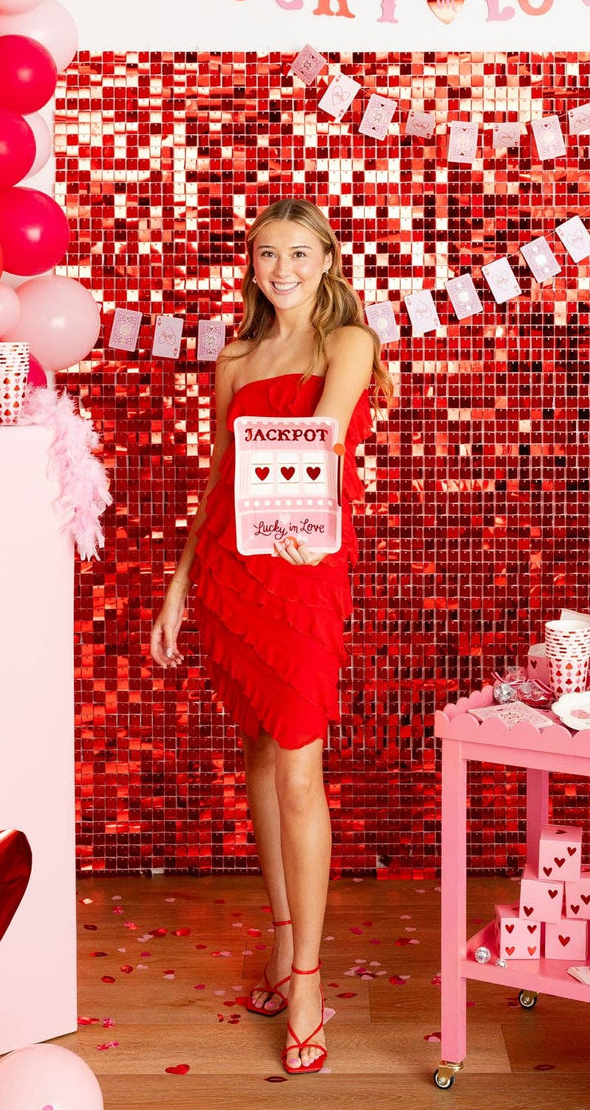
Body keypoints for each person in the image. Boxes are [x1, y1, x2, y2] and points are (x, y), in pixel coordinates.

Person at [150, 199, 393, 1074]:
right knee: (259, 751)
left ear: (328, 259)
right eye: (264, 255)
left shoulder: (348, 343)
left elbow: (323, 441)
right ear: (249, 266)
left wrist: (300, 513)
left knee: (299, 767)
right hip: (231, 571)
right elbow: (219, 476)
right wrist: (178, 586)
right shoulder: (239, 356)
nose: (280, 268)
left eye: (297, 252)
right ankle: (282, 939)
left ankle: (310, 981)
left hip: (304, 562)